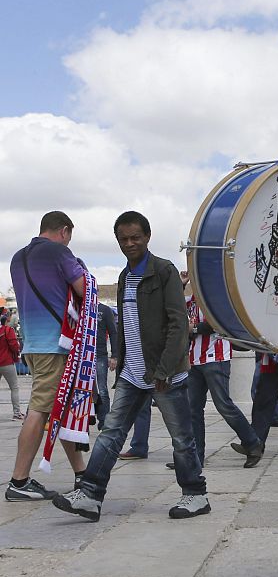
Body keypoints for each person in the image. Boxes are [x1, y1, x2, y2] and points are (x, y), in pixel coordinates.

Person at [52, 211, 209, 521]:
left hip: (164, 373)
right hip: (131, 373)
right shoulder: (125, 276)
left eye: (135, 237)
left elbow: (178, 323)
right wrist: (121, 359)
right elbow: (126, 325)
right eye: (123, 239)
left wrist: (165, 369)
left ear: (147, 237)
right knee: (110, 433)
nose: (130, 243)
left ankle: (195, 495)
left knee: (181, 439)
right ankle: (90, 495)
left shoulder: (164, 271)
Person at [5, 211, 87, 501]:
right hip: (55, 345)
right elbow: (83, 288)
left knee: (58, 410)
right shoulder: (59, 253)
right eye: (69, 238)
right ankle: (19, 481)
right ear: (64, 231)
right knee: (39, 410)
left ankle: (81, 474)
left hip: (32, 345)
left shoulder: (17, 258)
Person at [184, 273, 264, 468]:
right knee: (193, 409)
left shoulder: (216, 295)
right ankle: (195, 457)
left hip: (216, 358)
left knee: (223, 405)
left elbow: (216, 323)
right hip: (194, 358)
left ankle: (253, 443)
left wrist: (193, 329)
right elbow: (177, 313)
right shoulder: (191, 298)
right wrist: (181, 285)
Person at [94, 302, 118, 430]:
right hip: (82, 356)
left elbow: (113, 332)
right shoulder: (79, 307)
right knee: (83, 390)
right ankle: (85, 420)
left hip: (100, 355)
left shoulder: (105, 309)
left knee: (102, 389)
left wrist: (114, 356)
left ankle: (104, 421)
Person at [0, 314, 24, 419]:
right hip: (6, 362)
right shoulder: (8, 330)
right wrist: (17, 350)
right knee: (14, 387)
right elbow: (14, 345)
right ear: (7, 321)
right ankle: (17, 412)